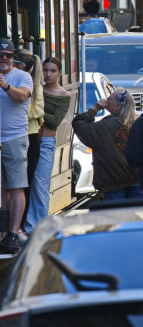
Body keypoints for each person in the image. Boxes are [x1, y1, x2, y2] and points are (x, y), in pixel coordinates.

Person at [25, 57, 70, 236]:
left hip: (46, 142)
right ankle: (28, 226)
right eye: (45, 70)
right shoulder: (36, 89)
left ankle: (42, 229)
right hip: (29, 139)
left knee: (41, 184)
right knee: (26, 184)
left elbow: (54, 121)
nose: (48, 74)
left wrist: (36, 109)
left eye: (52, 71)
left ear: (60, 72)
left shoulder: (63, 95)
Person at [72, 89, 141, 199]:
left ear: (118, 106)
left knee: (115, 215)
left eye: (109, 99)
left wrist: (95, 109)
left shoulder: (103, 126)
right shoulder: (140, 124)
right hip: (138, 181)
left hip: (113, 184)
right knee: (135, 215)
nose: (106, 100)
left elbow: (79, 124)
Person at [0, 39, 33, 253]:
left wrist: (5, 85)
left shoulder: (23, 76)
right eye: (0, 54)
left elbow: (21, 97)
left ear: (14, 58)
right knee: (1, 189)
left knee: (16, 186)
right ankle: (3, 231)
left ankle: (13, 231)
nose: (4, 58)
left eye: (8, 55)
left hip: (14, 137)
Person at [13, 50, 43, 231]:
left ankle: (21, 226)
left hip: (30, 137)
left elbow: (37, 112)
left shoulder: (35, 85)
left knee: (25, 184)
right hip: (14, 135)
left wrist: (16, 107)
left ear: (21, 66)